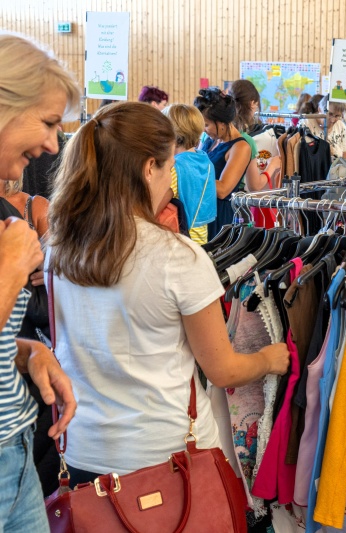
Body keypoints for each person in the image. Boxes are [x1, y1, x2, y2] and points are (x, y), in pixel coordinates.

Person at [46, 102, 290, 486]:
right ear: (149, 168)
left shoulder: (58, 248)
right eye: (169, 168)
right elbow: (222, 369)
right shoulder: (177, 257)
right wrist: (269, 359)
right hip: (167, 461)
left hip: (82, 450)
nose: (171, 181)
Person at [0, 31, 78, 532]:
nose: (52, 144)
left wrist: (26, 352)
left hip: (17, 448)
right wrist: (10, 271)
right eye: (48, 123)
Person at [194, 87, 252, 238]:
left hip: (219, 216)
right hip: (202, 209)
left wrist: (189, 174)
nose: (203, 129)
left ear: (221, 123)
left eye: (206, 125)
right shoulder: (210, 140)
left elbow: (223, 189)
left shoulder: (240, 147)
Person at [163, 104, 217, 245]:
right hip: (202, 235)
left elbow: (158, 203)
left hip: (180, 238)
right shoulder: (205, 161)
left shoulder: (175, 167)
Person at [228, 79, 267, 192]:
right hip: (234, 198)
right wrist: (273, 166)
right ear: (252, 103)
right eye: (256, 106)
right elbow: (255, 186)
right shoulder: (246, 141)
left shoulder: (210, 135)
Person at [302, 94, 346, 160]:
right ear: (319, 109)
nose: (333, 120)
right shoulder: (306, 124)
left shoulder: (341, 126)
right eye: (330, 114)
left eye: (337, 116)